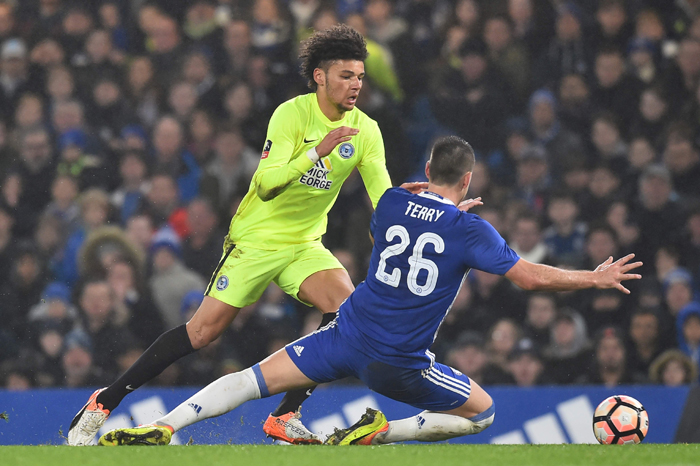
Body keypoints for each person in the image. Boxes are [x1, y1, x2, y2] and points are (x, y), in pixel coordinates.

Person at [98, 136, 642, 447]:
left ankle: (167, 424)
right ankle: (377, 435)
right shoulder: (472, 231)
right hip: (398, 360)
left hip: (346, 334)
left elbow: (404, 217)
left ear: (427, 170)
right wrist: (591, 277)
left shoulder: (391, 205)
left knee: (248, 380)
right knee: (484, 414)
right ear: (469, 182)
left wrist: (424, 201)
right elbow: (526, 277)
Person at [67, 24, 425, 446]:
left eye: (360, 77)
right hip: (256, 237)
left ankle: (285, 415)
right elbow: (268, 182)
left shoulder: (366, 130)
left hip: (304, 243)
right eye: (346, 76)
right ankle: (101, 405)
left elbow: (380, 198)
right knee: (202, 334)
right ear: (320, 77)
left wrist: (402, 203)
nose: (356, 85)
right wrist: (317, 150)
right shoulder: (291, 114)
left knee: (346, 310)